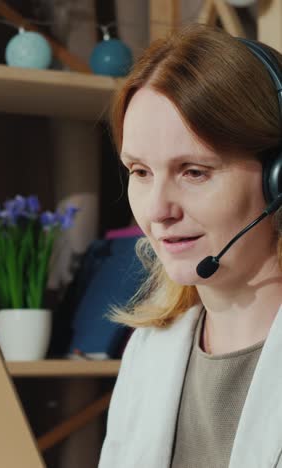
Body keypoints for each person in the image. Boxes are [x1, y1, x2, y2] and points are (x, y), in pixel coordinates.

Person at [98, 23, 282, 468]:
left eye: (194, 171)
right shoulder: (148, 353)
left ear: (277, 180)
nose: (158, 210)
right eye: (140, 172)